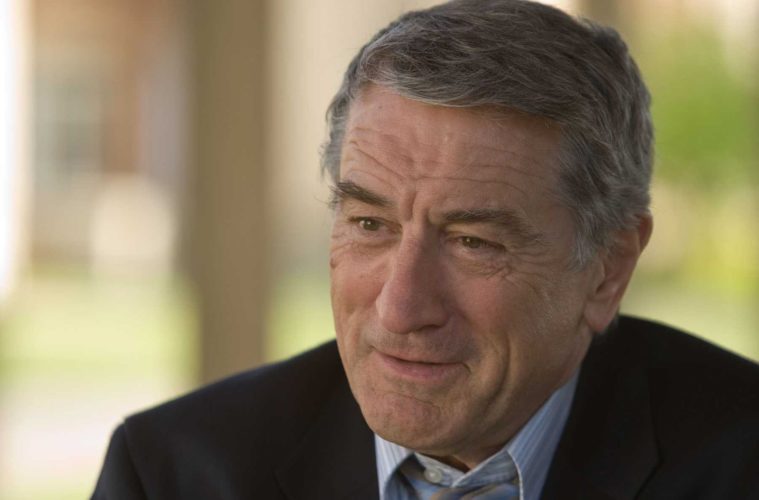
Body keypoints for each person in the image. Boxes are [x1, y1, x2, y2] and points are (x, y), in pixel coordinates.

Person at [92, 0, 759, 498]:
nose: (400, 307)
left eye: (473, 242)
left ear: (607, 270)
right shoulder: (174, 473)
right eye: (368, 224)